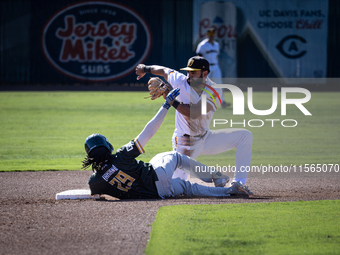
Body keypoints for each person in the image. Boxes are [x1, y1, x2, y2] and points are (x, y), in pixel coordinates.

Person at [82, 88, 252, 199]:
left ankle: (228, 192)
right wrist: (166, 105)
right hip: (158, 176)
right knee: (175, 157)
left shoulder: (94, 182)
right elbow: (148, 132)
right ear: (108, 146)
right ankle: (217, 177)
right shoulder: (121, 156)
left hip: (159, 193)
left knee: (187, 188)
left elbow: (96, 194)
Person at [135, 56, 253, 194]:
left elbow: (194, 113)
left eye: (194, 72)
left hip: (206, 138)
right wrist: (145, 69)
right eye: (188, 71)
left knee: (245, 136)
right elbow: (163, 70)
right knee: (173, 187)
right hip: (185, 143)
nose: (189, 75)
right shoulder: (180, 80)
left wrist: (170, 99)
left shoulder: (213, 91)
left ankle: (238, 183)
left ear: (205, 74)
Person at [196, 27, 230, 107]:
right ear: (207, 35)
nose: (211, 36)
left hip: (215, 66)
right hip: (206, 67)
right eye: (210, 35)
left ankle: (222, 102)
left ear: (214, 35)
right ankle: (199, 101)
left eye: (212, 35)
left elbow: (216, 56)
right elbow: (199, 57)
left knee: (219, 84)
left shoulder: (216, 45)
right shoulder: (202, 45)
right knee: (204, 84)